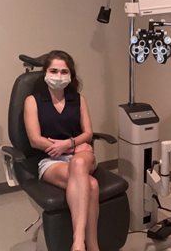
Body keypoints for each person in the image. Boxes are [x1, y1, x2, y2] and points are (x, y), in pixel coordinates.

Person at [24, 50, 99, 251]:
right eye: (54, 70)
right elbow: (34, 140)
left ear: (71, 75)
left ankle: (77, 243)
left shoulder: (78, 99)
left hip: (79, 154)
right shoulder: (33, 101)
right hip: (51, 160)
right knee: (90, 184)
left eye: (64, 71)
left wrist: (69, 145)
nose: (58, 76)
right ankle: (91, 246)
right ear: (45, 73)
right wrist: (62, 147)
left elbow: (88, 133)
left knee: (79, 162)